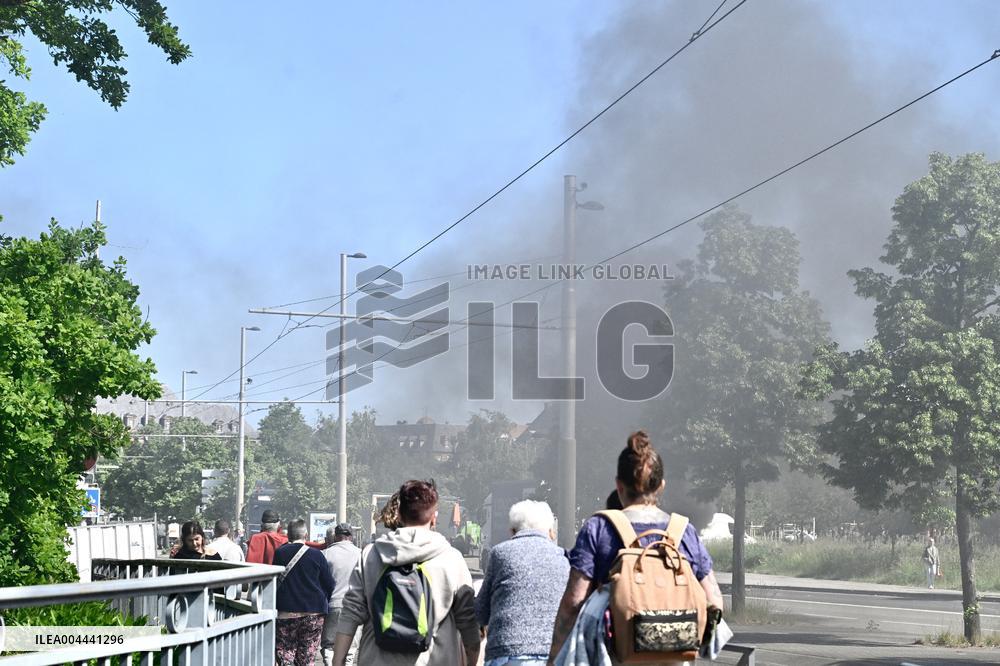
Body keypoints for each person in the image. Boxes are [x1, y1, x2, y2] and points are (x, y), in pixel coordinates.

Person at [548, 430, 725, 662]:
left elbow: (573, 601)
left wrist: (555, 654)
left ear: (619, 486)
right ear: (661, 486)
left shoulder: (598, 528)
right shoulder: (684, 532)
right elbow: (714, 601)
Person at [332, 480, 480, 665]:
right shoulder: (452, 559)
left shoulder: (371, 555)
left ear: (399, 514)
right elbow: (468, 623)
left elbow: (350, 613)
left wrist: (338, 662)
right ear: (434, 517)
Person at [475, 500, 569, 666]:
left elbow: (481, 610)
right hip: (553, 651)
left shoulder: (500, 553)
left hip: (506, 652)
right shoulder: (563, 557)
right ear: (551, 532)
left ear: (512, 531)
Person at [273, 518, 335, 666]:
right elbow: (329, 583)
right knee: (307, 655)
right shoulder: (317, 555)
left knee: (285, 653)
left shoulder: (280, 553)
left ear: (288, 536)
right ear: (305, 535)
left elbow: (274, 580)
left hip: (286, 612)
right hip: (313, 612)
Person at [321, 523, 362, 666]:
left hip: (332, 605)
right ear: (350, 536)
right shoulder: (361, 554)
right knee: (351, 646)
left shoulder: (325, 554)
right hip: (354, 607)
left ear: (335, 537)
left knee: (328, 644)